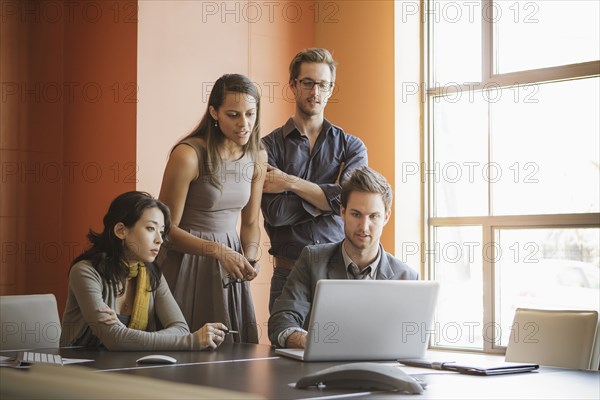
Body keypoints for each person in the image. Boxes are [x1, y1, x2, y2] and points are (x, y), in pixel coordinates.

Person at [156, 74, 267, 344]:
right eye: (233, 115)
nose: (244, 124)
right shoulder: (188, 155)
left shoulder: (258, 156)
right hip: (184, 262)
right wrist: (218, 251)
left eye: (250, 114)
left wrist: (249, 259)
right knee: (182, 350)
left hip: (229, 265)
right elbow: (164, 230)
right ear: (214, 112)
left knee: (230, 359)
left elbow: (251, 223)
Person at [261, 48, 368, 311]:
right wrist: (326, 201)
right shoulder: (267, 147)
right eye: (308, 83)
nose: (315, 92)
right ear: (293, 86)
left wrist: (289, 183)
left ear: (331, 88)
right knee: (284, 348)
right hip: (287, 274)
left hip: (339, 274)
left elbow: (347, 203)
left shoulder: (352, 147)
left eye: (323, 84)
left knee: (344, 351)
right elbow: (275, 213)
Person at [268, 166, 418, 348]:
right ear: (342, 212)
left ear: (386, 217)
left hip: (382, 373)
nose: (364, 226)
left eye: (374, 216)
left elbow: (411, 342)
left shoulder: (406, 277)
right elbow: (281, 321)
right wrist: (311, 343)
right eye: (356, 214)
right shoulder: (312, 259)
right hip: (321, 372)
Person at [60, 191, 228, 351]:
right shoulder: (85, 272)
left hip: (131, 369)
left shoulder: (152, 275)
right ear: (121, 231)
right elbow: (114, 340)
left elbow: (181, 329)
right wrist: (192, 341)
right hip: (80, 373)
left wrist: (125, 335)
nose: (159, 240)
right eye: (150, 229)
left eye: (161, 232)